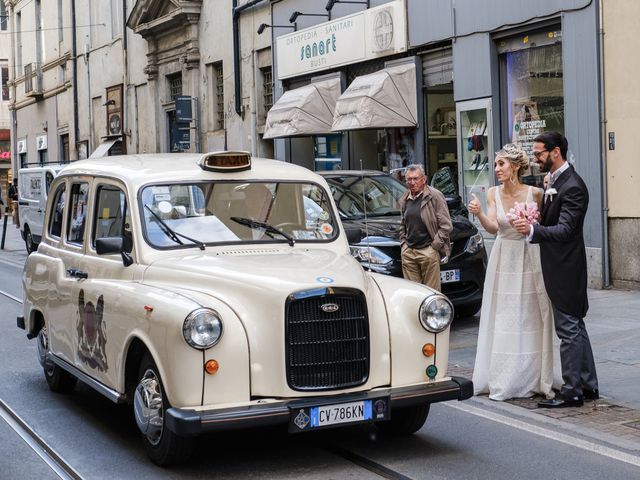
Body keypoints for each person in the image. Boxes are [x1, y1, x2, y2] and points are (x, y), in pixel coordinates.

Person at [513, 132, 599, 408]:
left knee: (568, 329)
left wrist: (533, 230)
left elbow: (564, 230)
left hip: (566, 267)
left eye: (539, 153)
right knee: (576, 326)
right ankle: (587, 385)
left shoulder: (572, 185)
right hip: (559, 265)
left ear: (556, 152)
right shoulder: (556, 181)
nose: (535, 158)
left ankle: (572, 391)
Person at [469, 143, 560, 401]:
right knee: (505, 315)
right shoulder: (493, 193)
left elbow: (547, 224)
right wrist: (478, 214)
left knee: (530, 314)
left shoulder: (535, 193)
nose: (497, 169)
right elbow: (492, 228)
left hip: (529, 256)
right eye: (496, 164)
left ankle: (534, 375)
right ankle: (505, 376)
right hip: (504, 258)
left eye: (501, 164)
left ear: (516, 166)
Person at [399, 164, 452, 292]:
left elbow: (446, 226)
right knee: (413, 293)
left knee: (431, 293)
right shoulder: (405, 198)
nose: (412, 182)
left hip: (428, 251)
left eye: (416, 178)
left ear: (424, 179)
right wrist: (404, 244)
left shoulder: (435, 196)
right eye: (409, 179)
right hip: (409, 252)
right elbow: (402, 224)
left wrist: (434, 247)